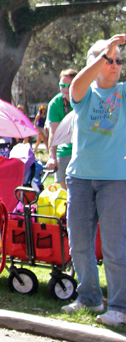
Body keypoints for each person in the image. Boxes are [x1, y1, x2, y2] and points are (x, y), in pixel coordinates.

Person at [60, 36, 126, 327]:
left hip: (116, 180)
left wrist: (108, 51)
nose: (114, 65)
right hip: (80, 179)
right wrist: (106, 50)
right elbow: (77, 85)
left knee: (114, 247)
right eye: (108, 60)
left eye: (118, 60)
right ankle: (89, 297)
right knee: (80, 244)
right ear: (95, 64)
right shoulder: (83, 94)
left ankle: (119, 306)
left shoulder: (124, 93)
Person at [46, 68, 77, 191]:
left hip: (83, 150)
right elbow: (53, 133)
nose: (65, 89)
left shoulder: (86, 99)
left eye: (69, 86)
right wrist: (52, 157)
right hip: (64, 151)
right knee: (66, 188)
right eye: (62, 85)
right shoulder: (55, 103)